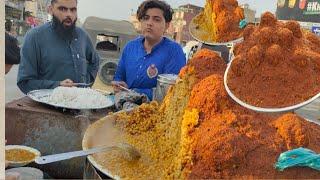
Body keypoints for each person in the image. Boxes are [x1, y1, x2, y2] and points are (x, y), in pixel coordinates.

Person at [17, 0, 100, 94]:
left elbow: (95, 61)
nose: (69, 14)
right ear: (51, 10)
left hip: (79, 104)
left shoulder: (82, 35)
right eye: (62, 9)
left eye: (73, 10)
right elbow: (25, 82)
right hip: (45, 107)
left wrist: (85, 82)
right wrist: (58, 86)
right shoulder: (35, 37)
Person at [112, 0, 186, 100]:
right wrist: (118, 85)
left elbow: (171, 91)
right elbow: (118, 78)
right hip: (125, 106)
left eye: (156, 19)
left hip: (157, 111)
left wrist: (133, 92)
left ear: (167, 25)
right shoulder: (130, 47)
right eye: (146, 18)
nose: (149, 23)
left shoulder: (174, 51)